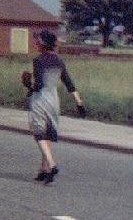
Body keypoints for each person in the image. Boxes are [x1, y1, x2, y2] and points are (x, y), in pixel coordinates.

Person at [24, 29, 86, 184]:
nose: (36, 43)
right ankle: (43, 170)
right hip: (53, 101)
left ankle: (52, 165)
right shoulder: (59, 61)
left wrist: (27, 85)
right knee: (47, 135)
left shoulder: (38, 60)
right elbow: (69, 84)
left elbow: (38, 85)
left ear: (43, 44)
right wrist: (79, 103)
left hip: (40, 100)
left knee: (39, 134)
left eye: (38, 41)